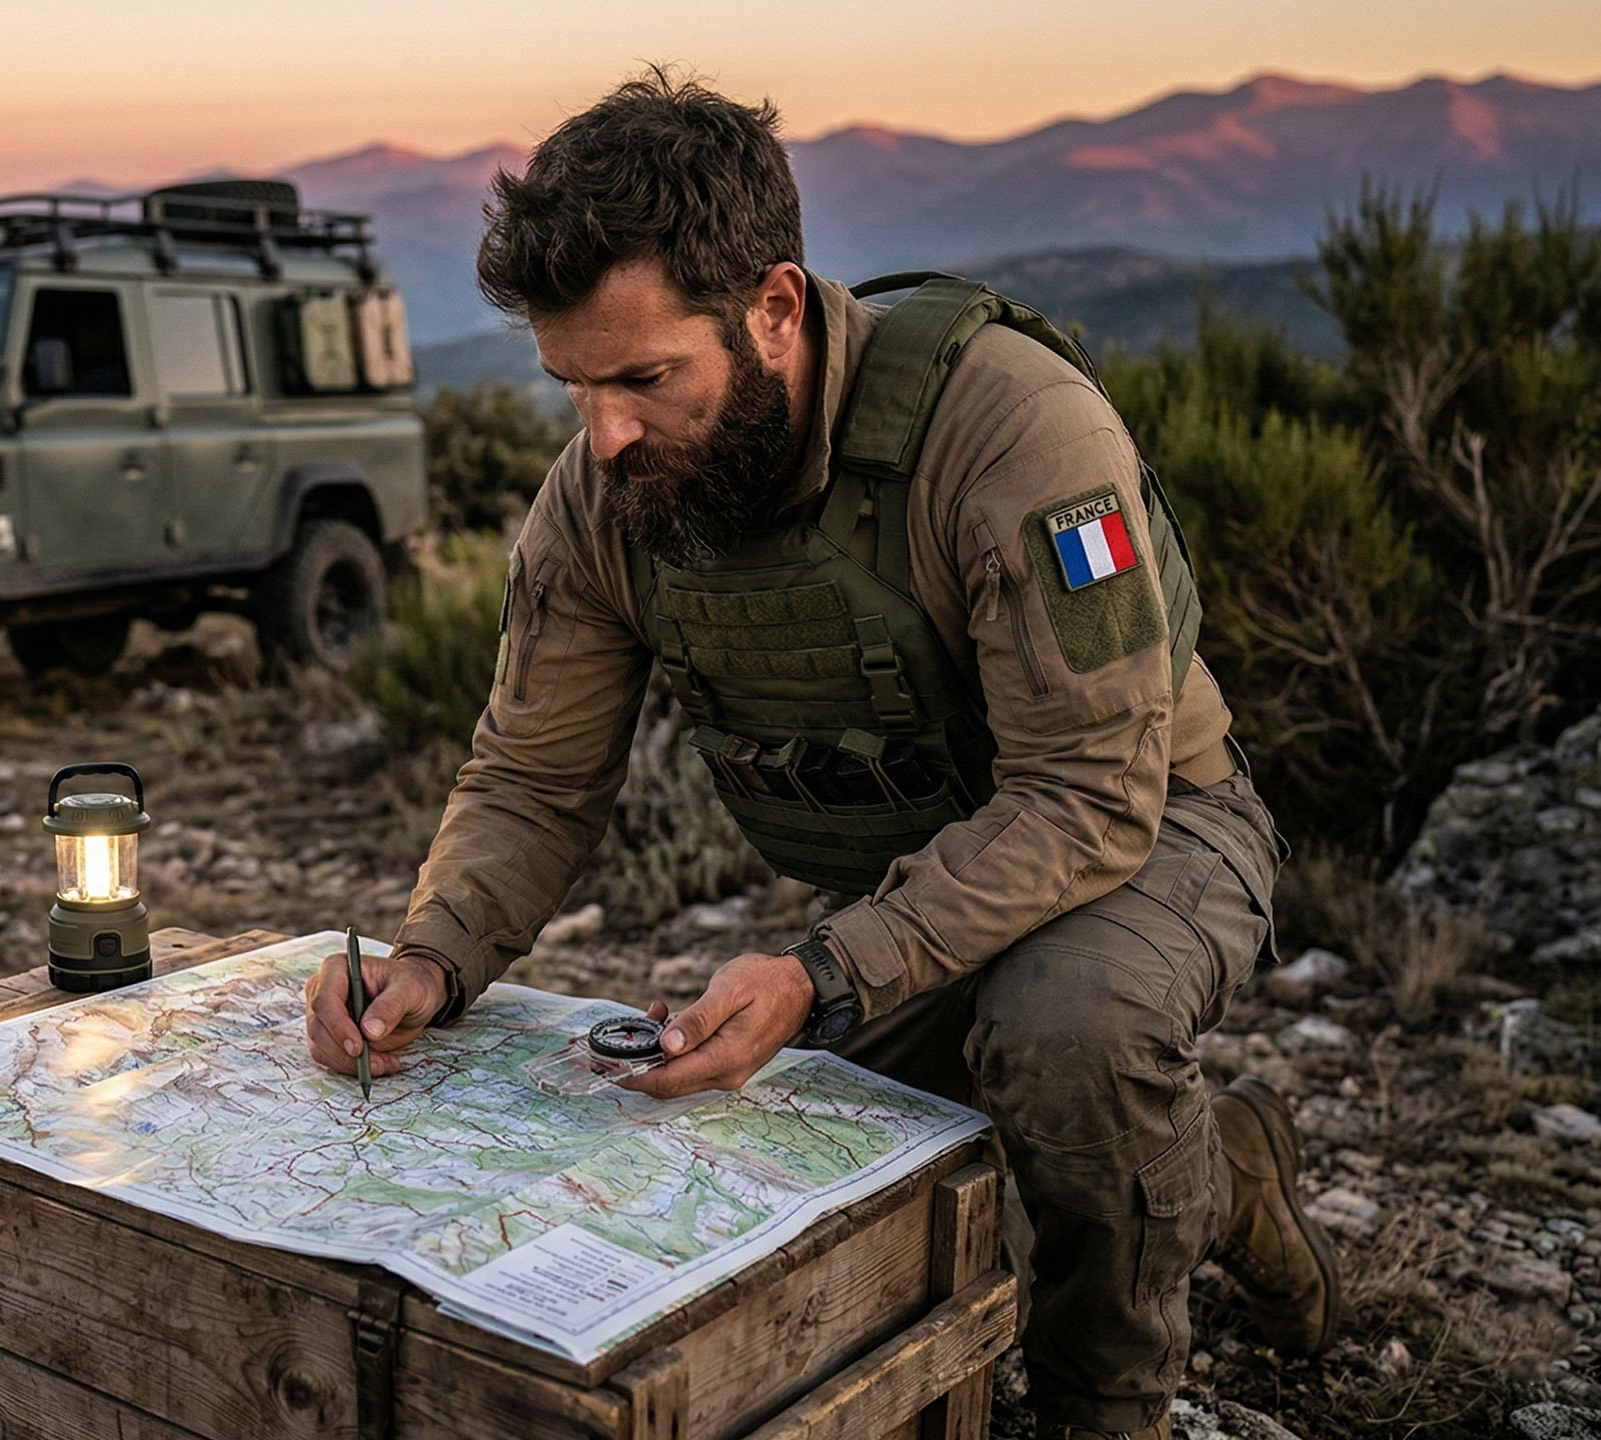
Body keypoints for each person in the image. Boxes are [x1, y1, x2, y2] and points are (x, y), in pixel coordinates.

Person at [302, 72, 1337, 1440]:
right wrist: (433, 952)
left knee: (1066, 1034)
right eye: (569, 386)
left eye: (643, 379)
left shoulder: (1008, 429)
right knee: (765, 1152)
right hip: (917, 875)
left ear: (775, 309)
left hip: (1148, 831)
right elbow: (534, 777)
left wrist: (827, 972)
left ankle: (1107, 1407)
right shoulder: (605, 498)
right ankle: (1225, 1171)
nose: (601, 435)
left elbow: (1091, 792)